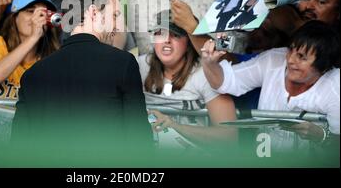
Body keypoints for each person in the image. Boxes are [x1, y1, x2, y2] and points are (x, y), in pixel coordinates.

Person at [13, 0, 152, 154]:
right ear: (94, 13)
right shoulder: (123, 63)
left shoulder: (32, 75)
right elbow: (139, 141)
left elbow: (19, 147)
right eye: (115, 16)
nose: (117, 26)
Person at [201, 21, 340, 151]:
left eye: (301, 57)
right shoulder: (273, 60)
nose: (290, 60)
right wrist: (209, 63)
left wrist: (321, 135)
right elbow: (227, 82)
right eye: (290, 50)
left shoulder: (335, 86)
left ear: (324, 66)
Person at [140, 9, 237, 146]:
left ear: (189, 41)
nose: (167, 40)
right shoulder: (137, 66)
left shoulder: (205, 74)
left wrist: (175, 126)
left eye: (176, 35)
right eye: (160, 33)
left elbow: (229, 137)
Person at [0, 0, 60, 99]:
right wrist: (33, 37)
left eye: (45, 14)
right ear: (14, 18)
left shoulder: (54, 59)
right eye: (30, 11)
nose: (38, 17)